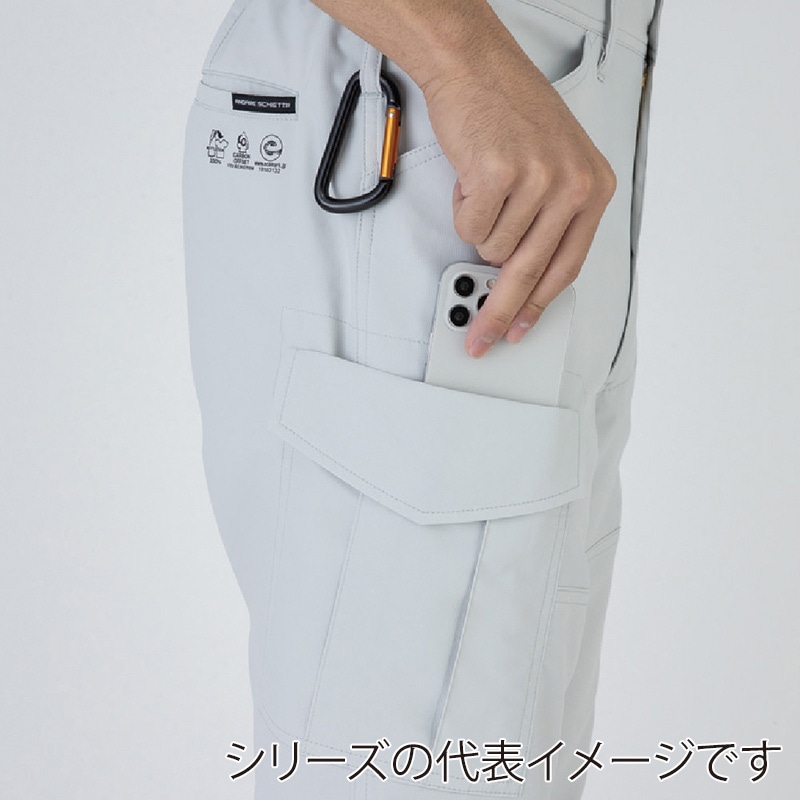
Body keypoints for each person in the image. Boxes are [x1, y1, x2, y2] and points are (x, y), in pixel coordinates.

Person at [182, 1, 664, 797]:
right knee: (422, 759)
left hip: (553, 90)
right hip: (428, 80)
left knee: (507, 746)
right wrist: (460, 58)